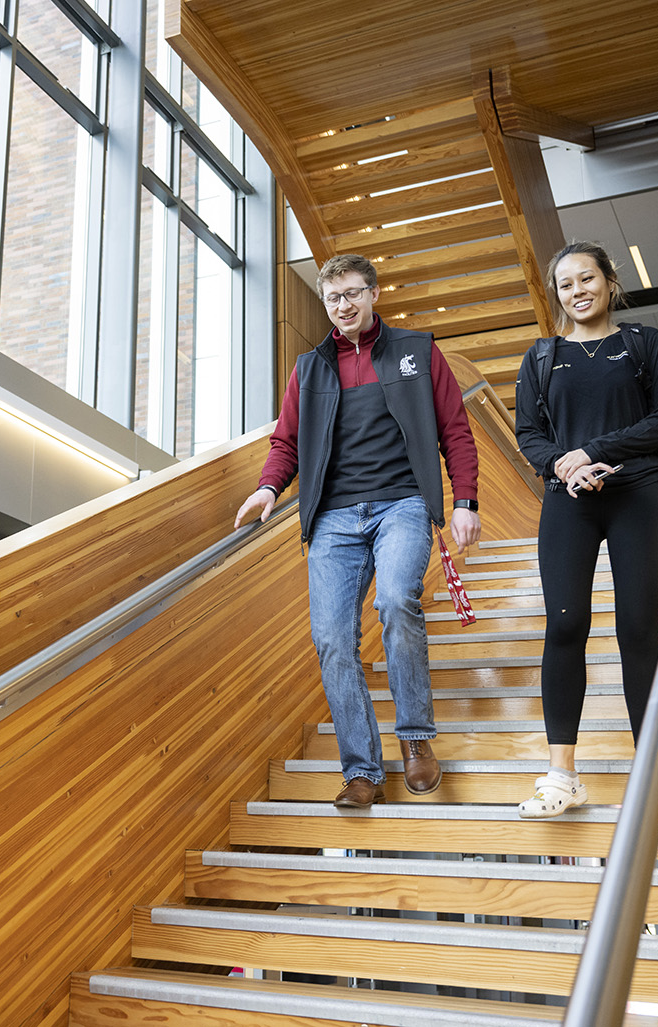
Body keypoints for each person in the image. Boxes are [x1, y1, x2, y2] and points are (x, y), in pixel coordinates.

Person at [234, 253, 481, 808]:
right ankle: (362, 770)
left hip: (403, 505)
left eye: (352, 294)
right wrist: (269, 487)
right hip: (334, 518)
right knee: (331, 640)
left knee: (396, 601)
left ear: (373, 294)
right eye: (333, 298)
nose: (343, 306)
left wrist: (464, 500)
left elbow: (455, 432)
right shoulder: (310, 367)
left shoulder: (418, 352)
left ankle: (416, 740)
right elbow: (287, 442)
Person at [512, 241, 658, 818]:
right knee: (565, 627)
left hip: (638, 495)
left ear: (610, 282)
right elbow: (530, 434)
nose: (577, 291)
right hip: (569, 502)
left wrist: (591, 450)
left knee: (639, 632)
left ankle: (653, 770)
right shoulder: (541, 357)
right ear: (556, 293)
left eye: (587, 279)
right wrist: (566, 465)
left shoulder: (643, 344)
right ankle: (562, 775)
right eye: (565, 284)